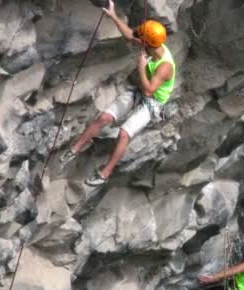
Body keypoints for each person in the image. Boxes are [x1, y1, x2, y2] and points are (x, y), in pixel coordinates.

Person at [59, 0, 175, 186]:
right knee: (104, 117)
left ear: (149, 42)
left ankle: (105, 174)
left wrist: (141, 67)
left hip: (153, 101)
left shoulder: (165, 66)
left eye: (142, 39)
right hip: (141, 90)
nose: (139, 40)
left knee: (124, 133)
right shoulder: (152, 45)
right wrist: (113, 16)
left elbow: (149, 89)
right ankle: (75, 149)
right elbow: (130, 35)